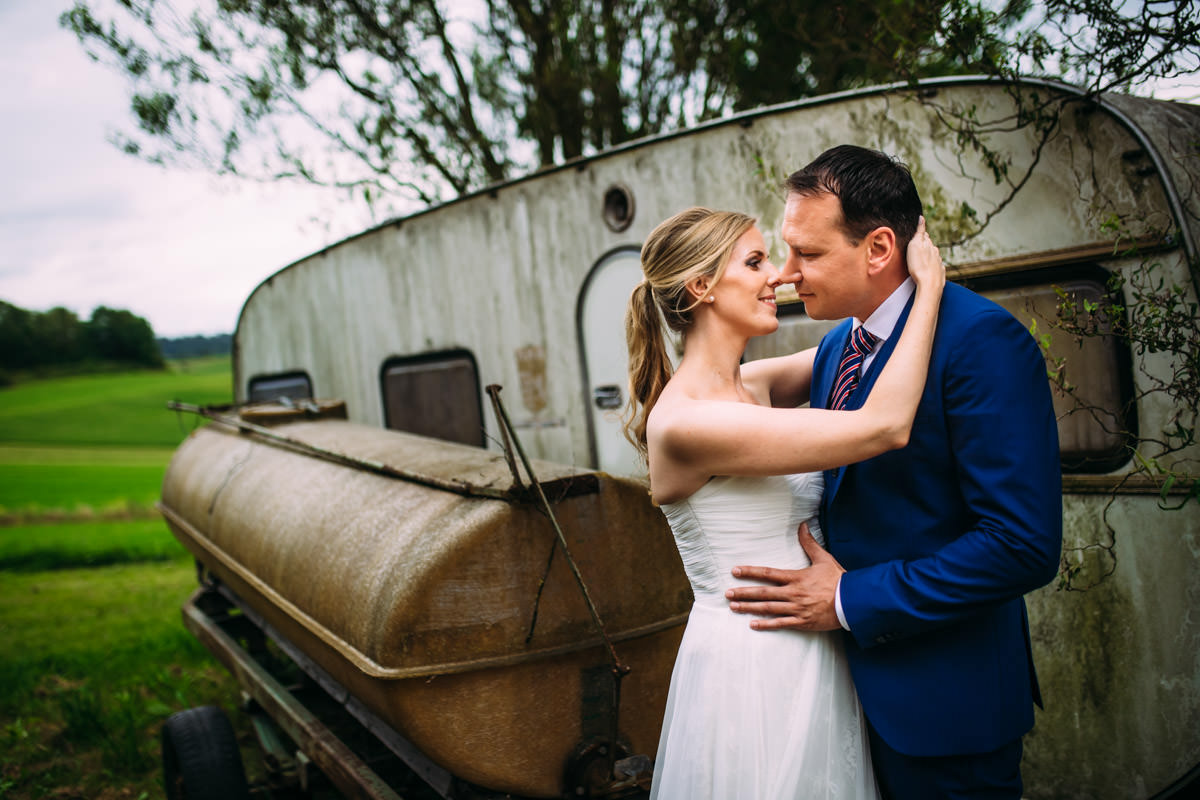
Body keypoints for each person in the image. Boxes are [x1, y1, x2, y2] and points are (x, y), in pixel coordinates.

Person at [725, 145, 1063, 799]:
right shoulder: (837, 345)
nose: (788, 274)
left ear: (879, 248)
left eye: (809, 254)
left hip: (944, 713)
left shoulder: (981, 342)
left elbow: (1023, 546)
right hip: (837, 707)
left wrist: (849, 599)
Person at [623, 204, 945, 799]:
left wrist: (878, 273)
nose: (778, 275)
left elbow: (863, 343)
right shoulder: (686, 424)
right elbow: (884, 425)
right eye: (755, 261)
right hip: (752, 666)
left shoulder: (755, 385)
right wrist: (928, 289)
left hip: (814, 648)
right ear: (701, 287)